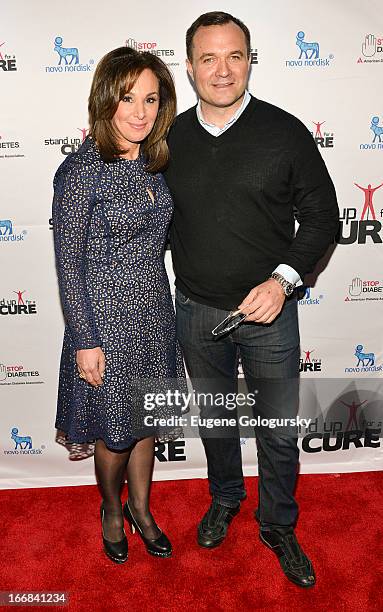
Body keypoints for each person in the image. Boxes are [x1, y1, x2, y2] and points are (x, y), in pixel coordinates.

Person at [164, 12, 339, 588]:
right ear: (188, 67)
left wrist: (283, 279)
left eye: (234, 55)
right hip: (194, 310)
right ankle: (224, 498)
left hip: (270, 312)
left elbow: (321, 218)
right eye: (208, 58)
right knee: (215, 421)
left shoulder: (285, 132)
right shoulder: (167, 140)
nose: (222, 69)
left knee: (279, 428)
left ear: (250, 60)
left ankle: (279, 524)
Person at [52, 46, 184, 564]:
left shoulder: (156, 162)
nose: (139, 111)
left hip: (155, 312)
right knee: (114, 429)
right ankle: (112, 510)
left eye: (151, 99)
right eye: (128, 98)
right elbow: (69, 263)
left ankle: (143, 511)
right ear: (106, 100)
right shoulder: (82, 170)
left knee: (146, 421)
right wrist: (85, 339)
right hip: (105, 321)